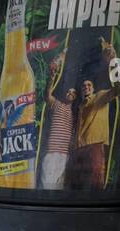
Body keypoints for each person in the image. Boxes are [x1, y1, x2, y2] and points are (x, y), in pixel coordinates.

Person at [65, 41, 120, 190]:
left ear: (93, 88)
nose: (86, 87)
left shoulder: (100, 97)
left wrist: (113, 61)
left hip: (93, 149)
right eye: (83, 86)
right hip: (77, 152)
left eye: (89, 85)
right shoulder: (79, 106)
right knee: (73, 188)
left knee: (94, 187)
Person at [41, 58, 76, 190]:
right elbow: (47, 95)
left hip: (65, 155)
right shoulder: (57, 104)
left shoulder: (76, 112)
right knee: (47, 188)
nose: (70, 93)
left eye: (73, 93)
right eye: (69, 91)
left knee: (59, 189)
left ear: (76, 96)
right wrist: (52, 77)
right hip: (52, 152)